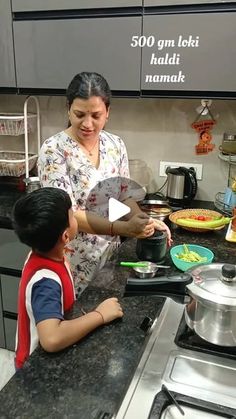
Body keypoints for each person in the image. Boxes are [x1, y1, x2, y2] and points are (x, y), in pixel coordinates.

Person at [38, 72, 172, 294]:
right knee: (77, 319)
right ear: (68, 108)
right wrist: (124, 228)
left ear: (108, 113)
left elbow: (123, 195)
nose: (88, 124)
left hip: (110, 257)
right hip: (73, 260)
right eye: (79, 114)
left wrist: (141, 219)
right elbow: (68, 214)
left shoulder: (115, 145)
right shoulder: (54, 150)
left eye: (96, 115)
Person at [12, 187, 123, 369]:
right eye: (72, 215)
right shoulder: (45, 280)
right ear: (65, 236)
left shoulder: (44, 252)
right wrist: (100, 315)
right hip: (36, 369)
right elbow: (51, 339)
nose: (75, 217)